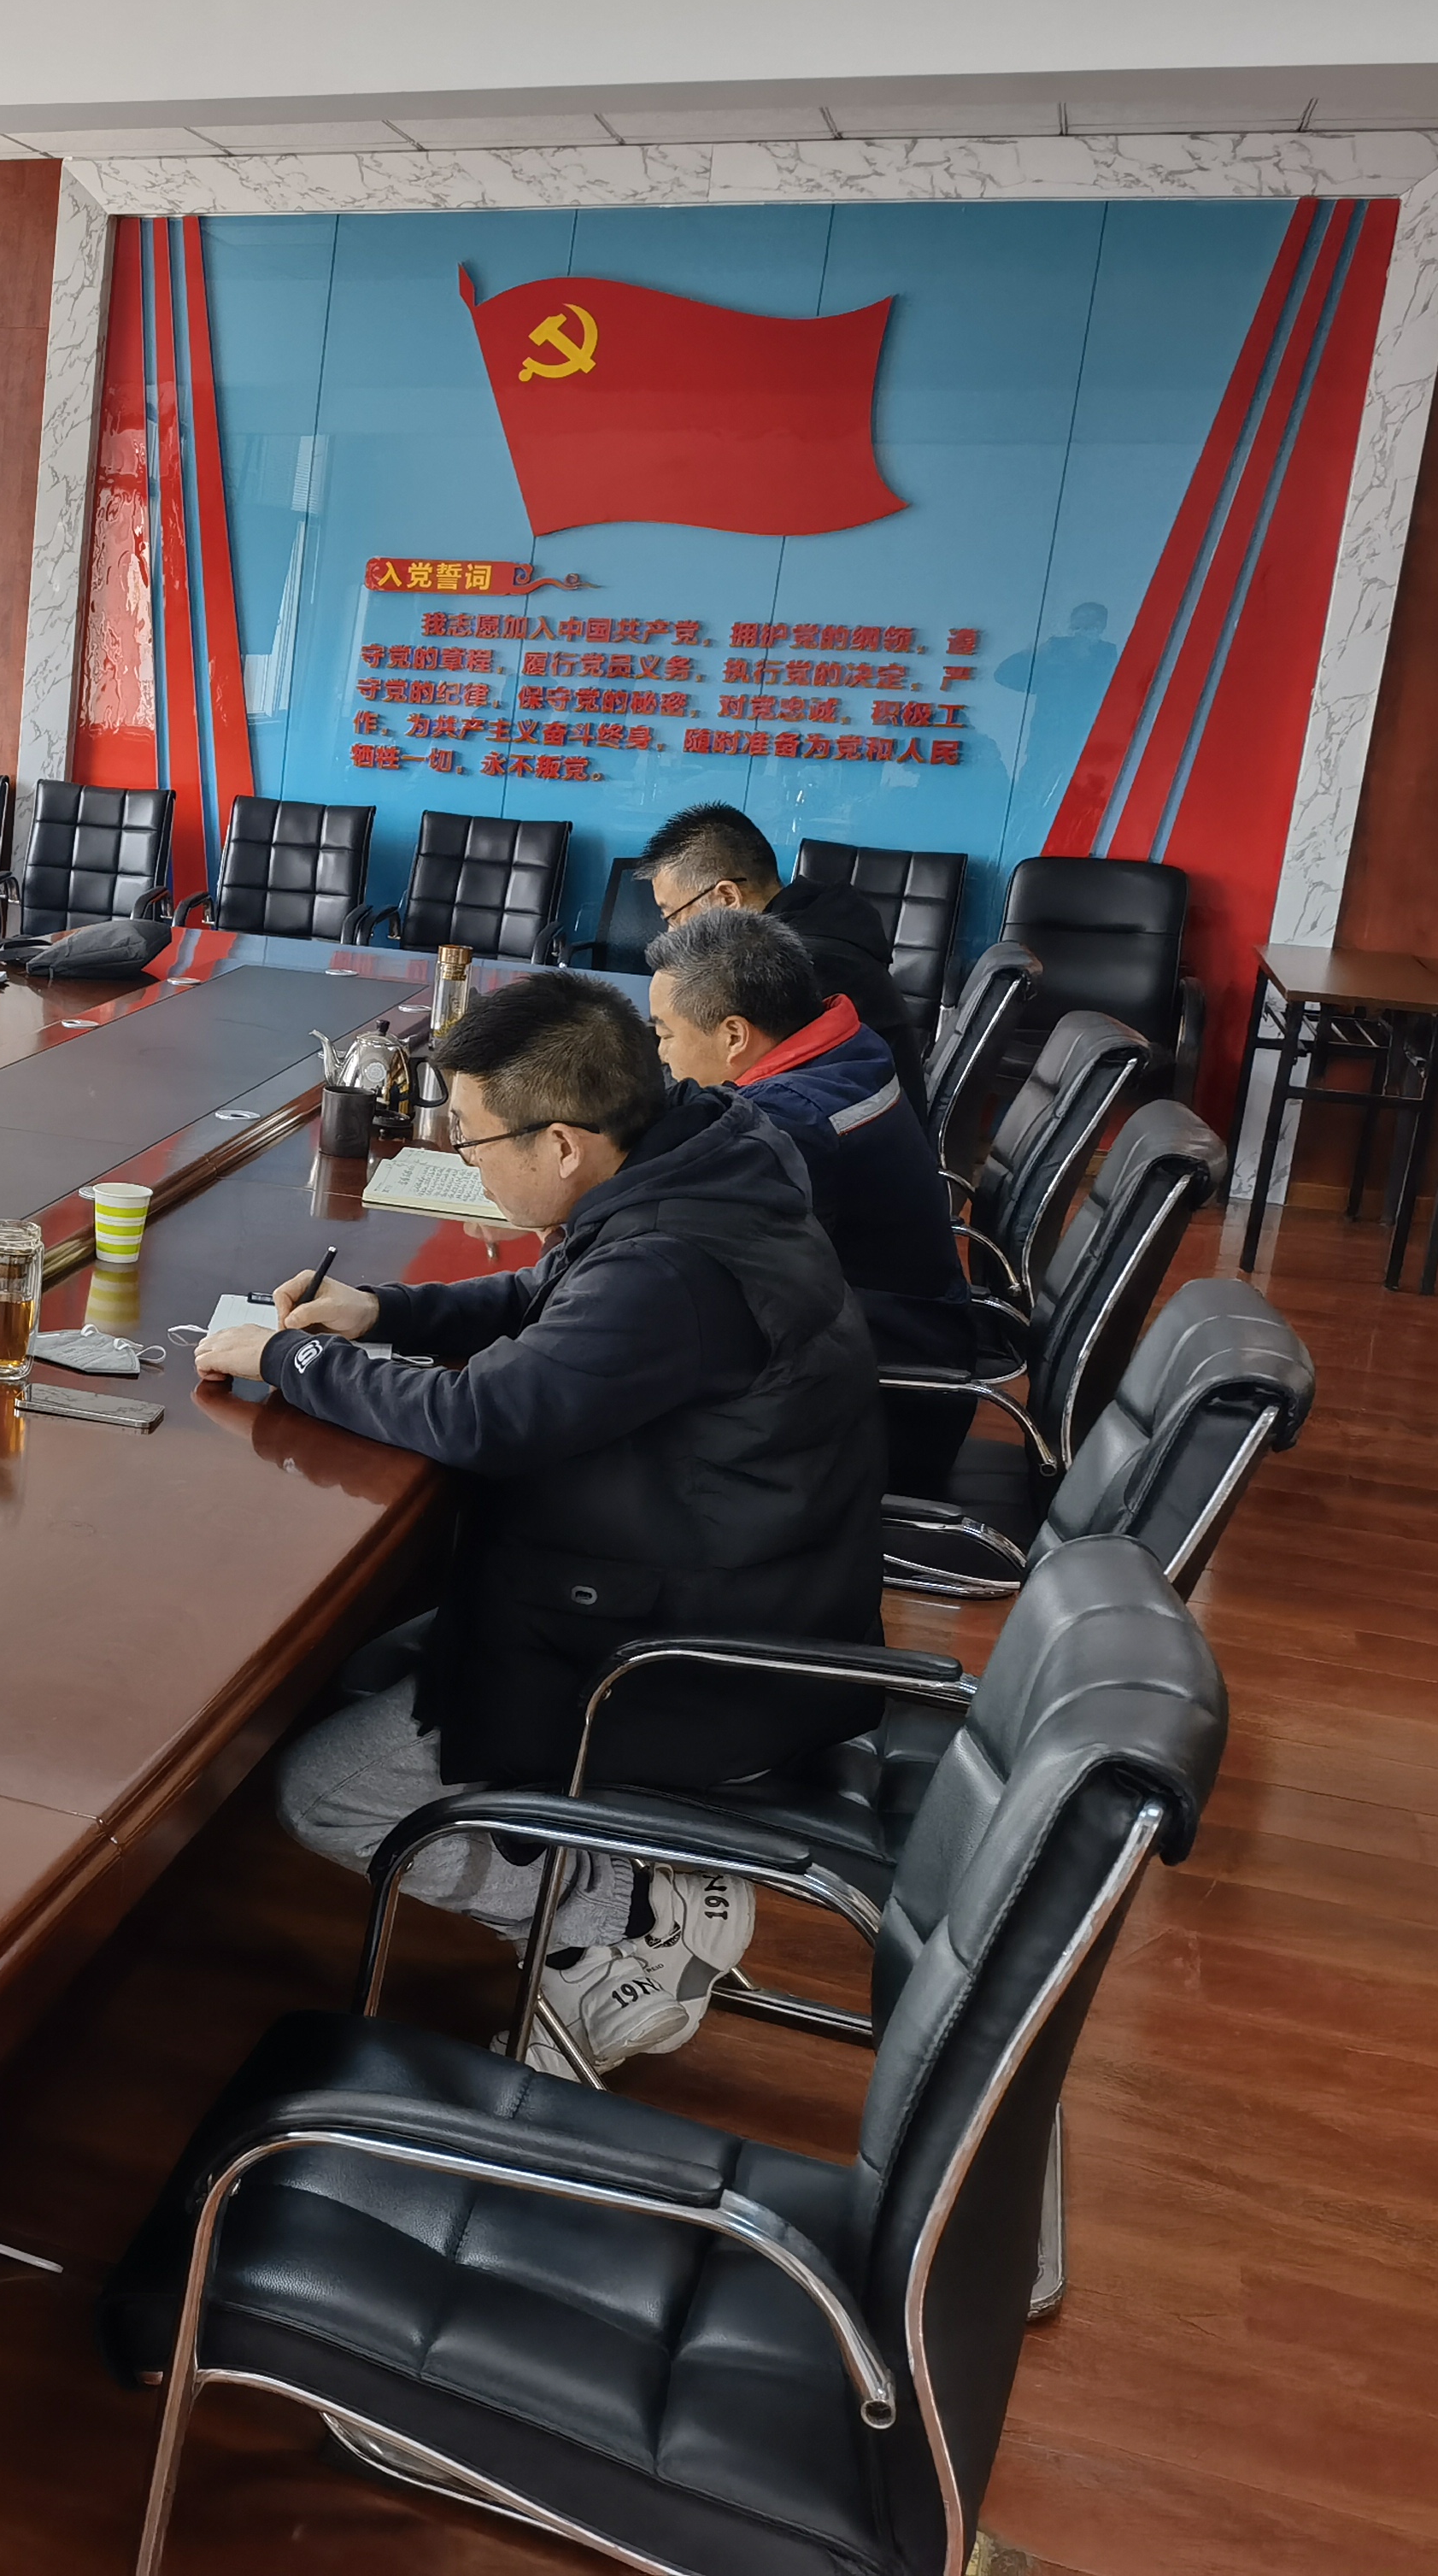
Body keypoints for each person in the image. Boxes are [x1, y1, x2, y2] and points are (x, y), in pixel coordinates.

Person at [191, 970, 883, 2077]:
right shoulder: (699, 1161)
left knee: (322, 1790)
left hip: (683, 1655)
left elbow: (486, 1418)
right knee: (360, 1665)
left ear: (561, 1144)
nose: (467, 1160)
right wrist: (385, 1310)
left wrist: (293, 1359)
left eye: (472, 1138)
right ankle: (620, 1871)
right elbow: (554, 1303)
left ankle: (621, 1916)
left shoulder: (670, 1264)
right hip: (724, 1571)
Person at [646, 907, 980, 1488]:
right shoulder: (845, 1045)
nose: (661, 1055)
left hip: (882, 1409)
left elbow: (690, 1263)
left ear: (734, 1035)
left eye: (664, 1033)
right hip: (906, 1341)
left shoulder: (792, 1121)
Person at [638, 802, 926, 1106]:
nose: (671, 932)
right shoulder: (818, 917)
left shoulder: (796, 967)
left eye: (673, 916)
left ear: (727, 898)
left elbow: (719, 1082)